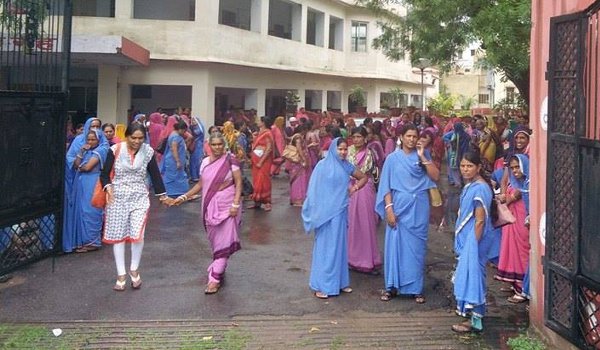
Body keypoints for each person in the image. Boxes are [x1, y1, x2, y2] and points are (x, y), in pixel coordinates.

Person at [100, 124, 172, 291]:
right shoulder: (115, 150)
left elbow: (155, 175)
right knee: (118, 235)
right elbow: (104, 174)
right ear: (127, 136)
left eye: (140, 138)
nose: (137, 141)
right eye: (133, 138)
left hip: (139, 197)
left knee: (137, 234)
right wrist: (108, 186)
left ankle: (134, 269)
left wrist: (163, 196)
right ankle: (121, 274)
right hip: (117, 197)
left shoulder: (148, 152)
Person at [376, 123, 439, 304]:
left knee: (417, 249)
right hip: (398, 207)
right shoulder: (392, 159)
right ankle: (391, 287)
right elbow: (386, 186)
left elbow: (435, 176)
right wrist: (389, 209)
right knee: (395, 247)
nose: (411, 140)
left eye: (414, 136)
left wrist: (422, 156)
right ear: (401, 137)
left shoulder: (423, 156)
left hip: (419, 207)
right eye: (408, 136)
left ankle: (415, 288)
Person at [173, 132, 243, 294]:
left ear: (224, 145)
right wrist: (183, 197)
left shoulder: (231, 160)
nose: (217, 147)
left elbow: (238, 183)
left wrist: (235, 204)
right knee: (216, 242)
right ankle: (220, 265)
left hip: (228, 207)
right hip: (209, 206)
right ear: (209, 146)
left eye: (220, 144)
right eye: (214, 145)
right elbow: (201, 185)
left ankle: (214, 279)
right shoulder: (204, 162)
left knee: (224, 242)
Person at [302, 137, 367, 299]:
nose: (343, 152)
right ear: (332, 149)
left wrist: (354, 188)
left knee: (339, 247)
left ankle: (340, 282)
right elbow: (313, 191)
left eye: (345, 149)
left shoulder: (346, 166)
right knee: (325, 249)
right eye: (340, 149)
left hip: (340, 212)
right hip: (324, 215)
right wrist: (315, 213)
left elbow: (364, 177)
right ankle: (321, 285)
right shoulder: (322, 166)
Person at [451, 151, 495, 333]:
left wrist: (472, 245)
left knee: (474, 276)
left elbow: (480, 221)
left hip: (475, 240)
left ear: (478, 167)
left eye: (469, 166)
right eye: (463, 166)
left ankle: (475, 321)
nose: (465, 169)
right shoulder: (471, 186)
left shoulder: (480, 189)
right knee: (472, 275)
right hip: (469, 239)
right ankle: (473, 315)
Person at [62, 127, 109, 253]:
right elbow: (76, 164)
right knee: (82, 211)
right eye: (88, 139)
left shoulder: (101, 150)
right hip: (83, 183)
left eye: (93, 139)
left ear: (99, 140)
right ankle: (84, 240)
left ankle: (94, 242)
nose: (90, 141)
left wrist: (81, 167)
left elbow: (87, 167)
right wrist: (81, 151)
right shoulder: (88, 151)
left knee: (91, 211)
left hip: (93, 182)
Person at [494, 154, 530, 298]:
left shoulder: (527, 185)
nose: (515, 171)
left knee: (523, 250)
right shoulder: (514, 183)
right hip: (513, 219)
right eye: (513, 167)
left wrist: (509, 199)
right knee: (511, 249)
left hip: (522, 221)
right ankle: (515, 283)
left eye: (518, 167)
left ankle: (523, 287)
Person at [347, 127, 382, 274]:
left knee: (366, 223)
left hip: (365, 188)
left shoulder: (370, 153)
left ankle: (368, 259)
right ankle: (351, 258)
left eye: (359, 137)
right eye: (354, 137)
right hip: (349, 188)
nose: (356, 140)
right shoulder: (347, 151)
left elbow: (370, 173)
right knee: (351, 223)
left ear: (365, 138)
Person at [248, 116, 274, 211]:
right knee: (256, 180)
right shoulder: (260, 133)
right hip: (256, 160)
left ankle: (267, 202)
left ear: (263, 122)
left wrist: (261, 161)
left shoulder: (267, 133)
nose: (257, 122)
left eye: (259, 121)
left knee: (263, 180)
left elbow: (268, 148)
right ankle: (257, 202)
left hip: (263, 161)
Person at [160, 119, 189, 197]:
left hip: (172, 160)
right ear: (180, 129)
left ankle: (174, 191)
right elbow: (174, 149)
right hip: (174, 161)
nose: (184, 133)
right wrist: (178, 161)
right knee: (175, 176)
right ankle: (175, 192)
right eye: (184, 131)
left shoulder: (173, 134)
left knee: (173, 176)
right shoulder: (176, 137)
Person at [288, 124, 310, 206]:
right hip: (299, 162)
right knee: (298, 180)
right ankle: (298, 198)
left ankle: (298, 198)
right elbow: (299, 148)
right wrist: (303, 159)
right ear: (303, 130)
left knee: (300, 179)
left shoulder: (296, 136)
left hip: (298, 161)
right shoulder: (298, 137)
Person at [189, 116, 206, 182]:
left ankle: (198, 176)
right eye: (192, 121)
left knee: (197, 161)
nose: (192, 122)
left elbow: (197, 132)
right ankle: (194, 176)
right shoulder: (193, 127)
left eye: (194, 120)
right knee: (193, 161)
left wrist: (191, 129)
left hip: (198, 146)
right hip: (194, 146)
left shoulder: (199, 127)